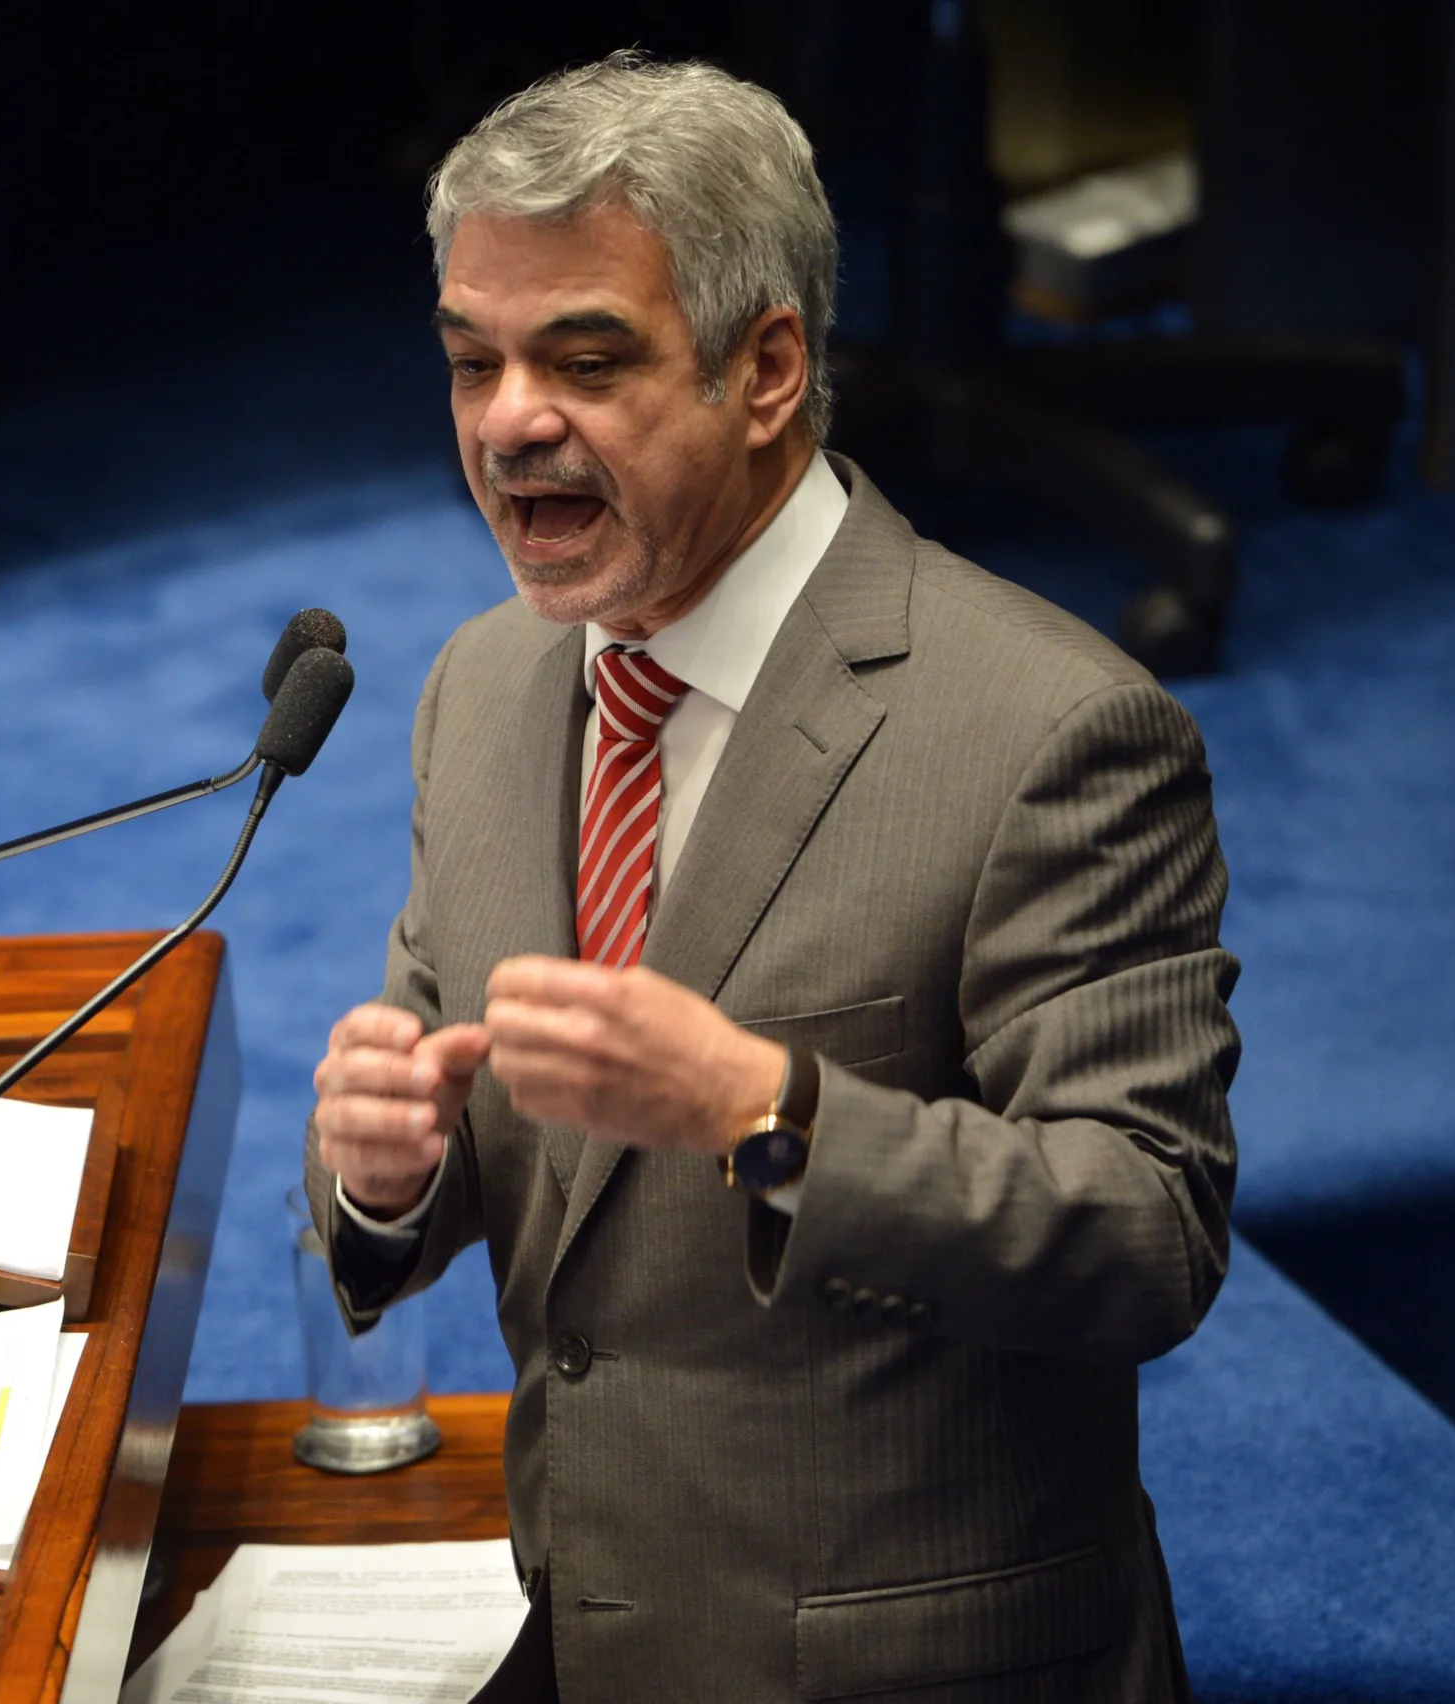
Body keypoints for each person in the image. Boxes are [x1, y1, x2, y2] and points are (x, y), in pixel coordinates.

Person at [304, 53, 1238, 1703]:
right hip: (592, 1622)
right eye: (473, 362)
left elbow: (1146, 1237)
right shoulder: (487, 688)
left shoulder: (1053, 730)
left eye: (583, 359)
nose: (510, 419)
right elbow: (507, 1159)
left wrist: (769, 1111)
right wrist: (387, 1174)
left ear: (768, 369)